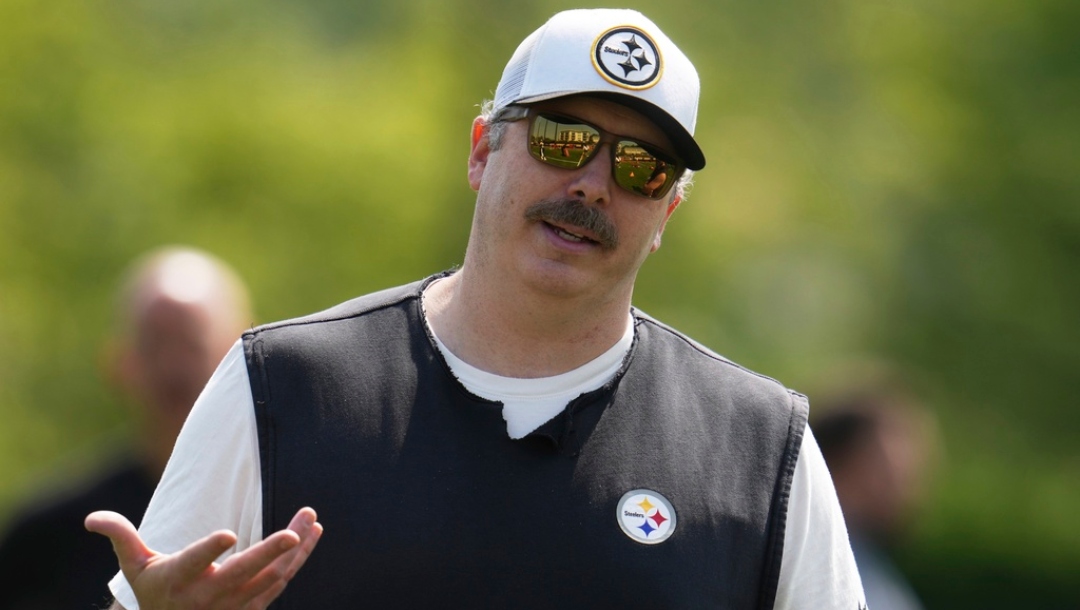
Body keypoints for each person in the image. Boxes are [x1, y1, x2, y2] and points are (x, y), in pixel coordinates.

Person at [86, 9, 868, 609]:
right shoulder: (281, 387)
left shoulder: (764, 452)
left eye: (642, 167)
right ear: (481, 150)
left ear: (665, 215)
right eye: (564, 139)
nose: (595, 185)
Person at [0, 246, 252, 610]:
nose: (173, 368)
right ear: (119, 362)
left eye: (192, 345)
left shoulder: (290, 516)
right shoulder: (49, 537)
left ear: (247, 355)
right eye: (154, 345)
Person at [813, 375, 940, 610]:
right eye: (888, 471)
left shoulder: (871, 570)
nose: (907, 489)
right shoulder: (825, 569)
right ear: (836, 463)